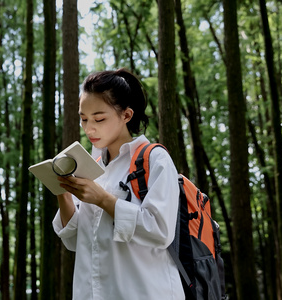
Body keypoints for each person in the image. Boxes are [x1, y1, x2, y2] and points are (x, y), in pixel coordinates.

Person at [53, 69, 184, 299]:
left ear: (126, 115)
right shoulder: (89, 168)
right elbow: (74, 241)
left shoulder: (154, 159)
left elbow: (160, 231)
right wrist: (62, 192)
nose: (89, 128)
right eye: (83, 118)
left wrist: (103, 199)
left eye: (99, 118)